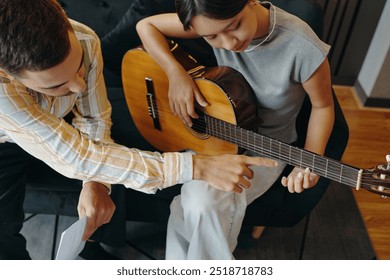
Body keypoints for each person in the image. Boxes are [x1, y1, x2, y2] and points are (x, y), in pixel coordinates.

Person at [0, 0, 277, 260]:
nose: (79, 87)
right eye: (56, 86)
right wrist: (197, 167)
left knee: (111, 164)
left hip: (64, 126)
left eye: (79, 68)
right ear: (7, 74)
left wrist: (95, 182)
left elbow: (94, 118)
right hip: (5, 145)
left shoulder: (84, 38)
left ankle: (92, 245)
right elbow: (79, 158)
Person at [136, 0, 335, 259]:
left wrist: (309, 160)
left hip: (266, 146)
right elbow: (145, 25)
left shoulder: (301, 45)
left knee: (199, 203)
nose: (229, 43)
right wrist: (175, 73)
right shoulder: (206, 19)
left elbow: (323, 107)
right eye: (212, 37)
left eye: (234, 26)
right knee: (197, 204)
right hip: (217, 135)